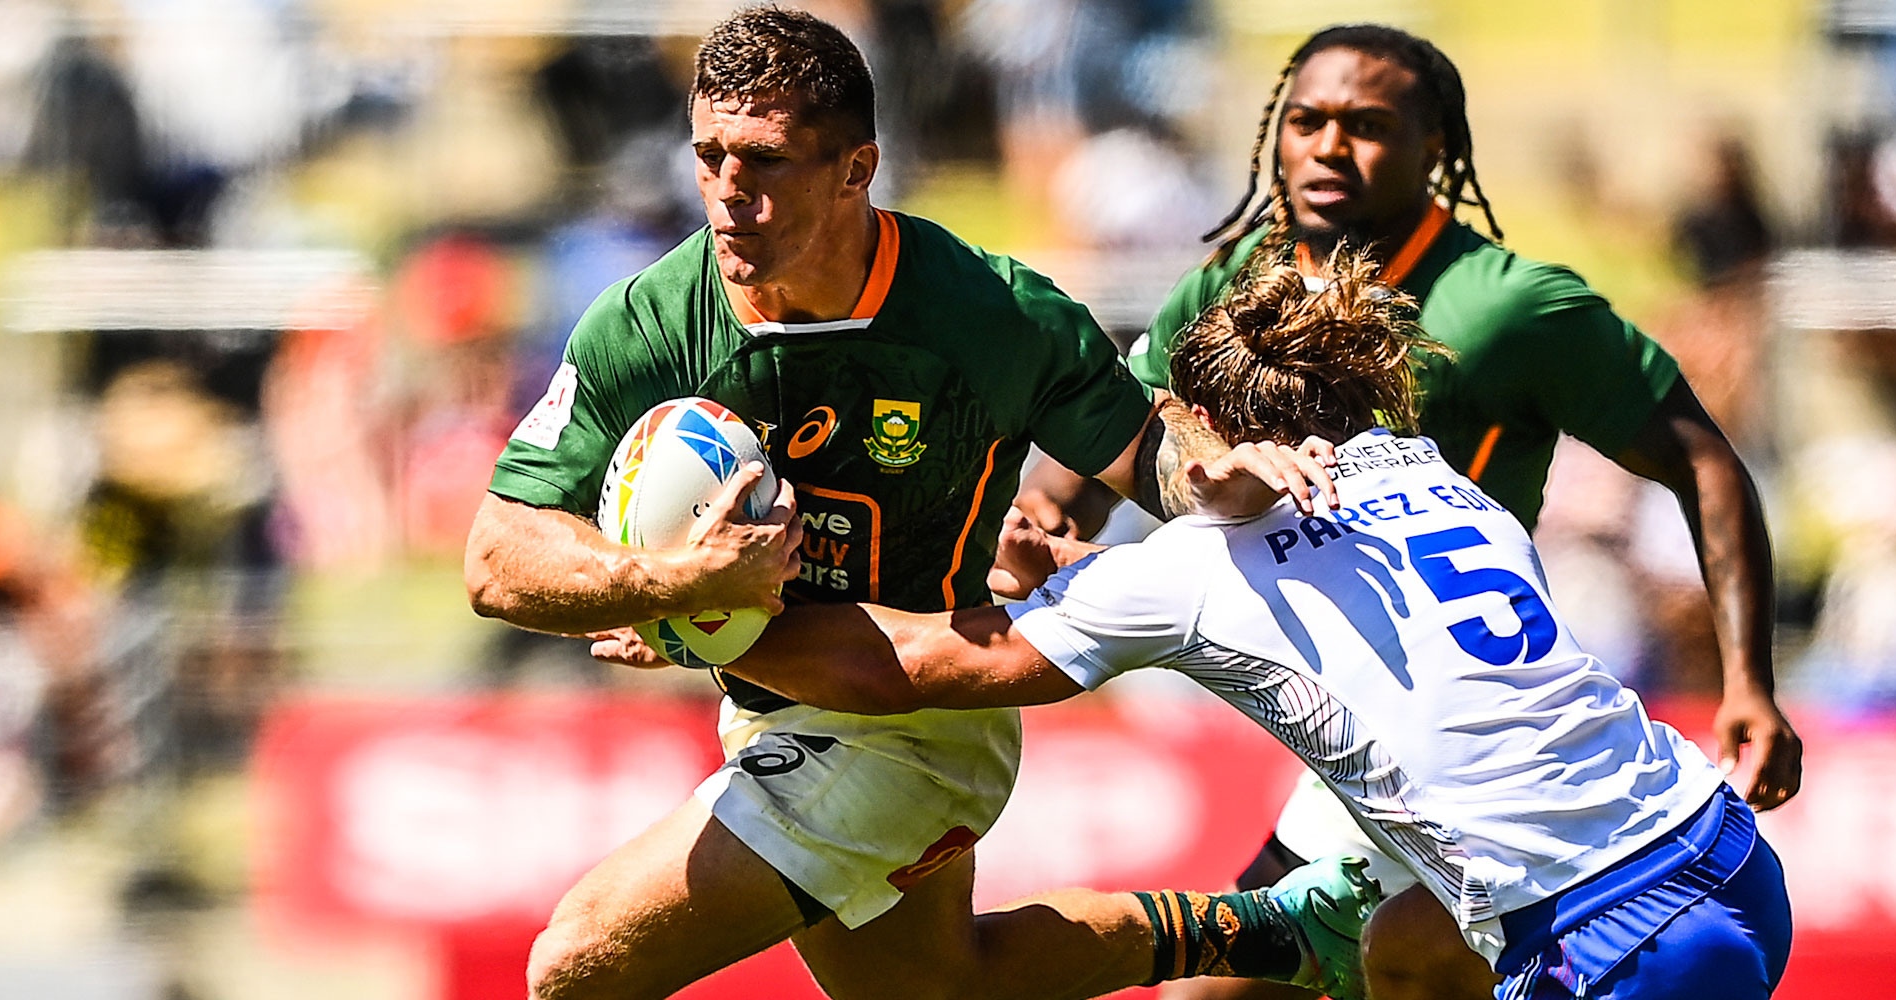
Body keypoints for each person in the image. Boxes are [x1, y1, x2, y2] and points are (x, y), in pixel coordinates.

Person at [615, 250, 1795, 1000]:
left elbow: (927, 663)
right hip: (1721, 852)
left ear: (1192, 419)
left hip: (1613, 937)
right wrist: (1048, 572)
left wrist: (688, 621)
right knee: (1403, 951)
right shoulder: (1447, 483)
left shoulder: (1190, 563)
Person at [463, 9, 1346, 1000]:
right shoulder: (651, 319)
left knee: (577, 962)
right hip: (773, 708)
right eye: (707, 155)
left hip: (918, 718)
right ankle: (1274, 927)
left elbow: (1143, 446)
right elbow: (497, 557)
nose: (726, 192)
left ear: (855, 168)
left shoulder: (985, 313)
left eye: (765, 160)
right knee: (940, 986)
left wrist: (1215, 470)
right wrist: (671, 582)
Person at [1006, 23, 1801, 999]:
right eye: (1303, 121)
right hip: (1352, 738)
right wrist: (1041, 530)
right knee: (1392, 960)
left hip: (1478, 746)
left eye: (1365, 124)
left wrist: (1746, 681)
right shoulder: (1223, 296)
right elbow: (1106, 461)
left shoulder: (1509, 309)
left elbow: (1702, 464)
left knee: (1230, 989)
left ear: (1438, 150)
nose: (1326, 145)